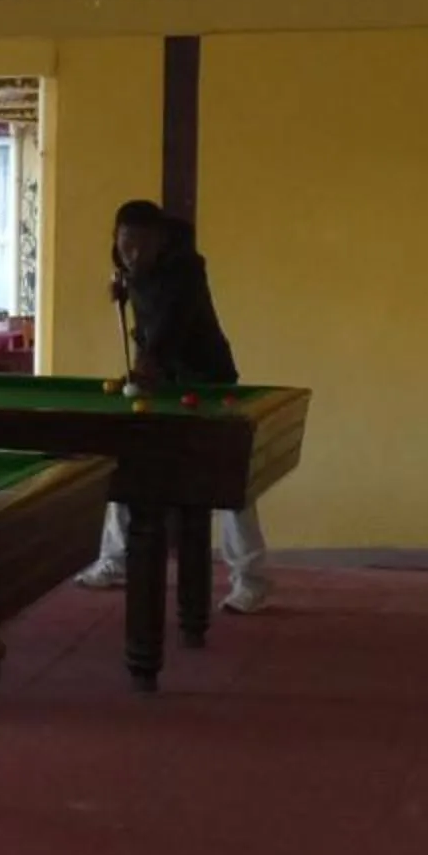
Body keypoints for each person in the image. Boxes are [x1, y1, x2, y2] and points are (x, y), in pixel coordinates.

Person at [77, 197, 272, 612]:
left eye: (142, 245)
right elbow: (145, 302)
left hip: (209, 382)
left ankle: (251, 580)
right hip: (164, 385)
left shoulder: (186, 269)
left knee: (230, 480)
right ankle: (114, 560)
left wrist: (148, 363)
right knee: (126, 462)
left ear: (161, 240)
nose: (133, 253)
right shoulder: (135, 268)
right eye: (125, 244)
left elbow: (171, 321)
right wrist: (124, 287)